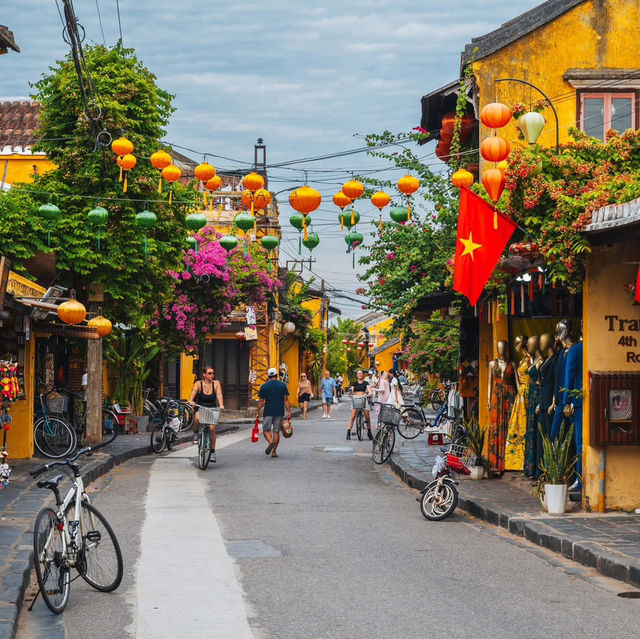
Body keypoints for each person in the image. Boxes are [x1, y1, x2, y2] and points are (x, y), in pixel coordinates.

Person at [189, 367, 224, 462]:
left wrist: (221, 405)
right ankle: (196, 433)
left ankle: (212, 452)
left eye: (213, 373)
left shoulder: (216, 383)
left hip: (212, 408)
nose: (212, 375)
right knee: (197, 418)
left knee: (212, 429)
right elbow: (194, 392)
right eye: (209, 373)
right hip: (200, 407)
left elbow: (219, 394)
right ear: (204, 374)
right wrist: (191, 401)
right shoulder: (198, 384)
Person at [256, 367, 291, 458]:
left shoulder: (264, 386)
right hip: (279, 411)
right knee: (276, 431)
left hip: (268, 411)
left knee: (266, 430)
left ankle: (270, 441)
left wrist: (257, 412)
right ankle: (274, 452)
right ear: (277, 375)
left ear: (268, 376)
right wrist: (289, 412)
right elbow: (286, 400)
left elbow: (261, 401)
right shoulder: (283, 385)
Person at [346, 369, 372, 440]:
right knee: (353, 416)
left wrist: (370, 393)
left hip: (364, 398)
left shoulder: (366, 383)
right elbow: (351, 390)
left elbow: (369, 390)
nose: (360, 375)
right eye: (358, 374)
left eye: (361, 373)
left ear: (363, 375)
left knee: (367, 416)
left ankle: (369, 432)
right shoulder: (354, 383)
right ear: (357, 375)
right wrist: (350, 392)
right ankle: (348, 432)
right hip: (356, 399)